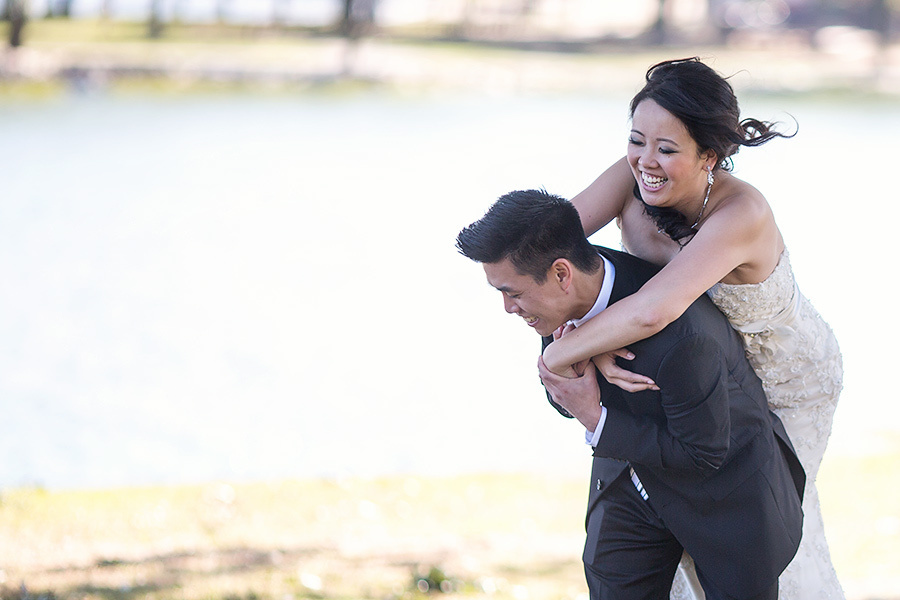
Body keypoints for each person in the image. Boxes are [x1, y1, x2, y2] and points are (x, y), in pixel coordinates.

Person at [538, 57, 843, 600]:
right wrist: (595, 336)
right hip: (688, 368)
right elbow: (542, 253)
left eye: (667, 149)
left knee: (748, 522)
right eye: (637, 140)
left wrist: (568, 353)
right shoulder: (630, 176)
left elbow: (653, 310)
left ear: (712, 156)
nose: (645, 161)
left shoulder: (742, 211)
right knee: (664, 505)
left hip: (785, 379)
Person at [456, 189, 805, 600]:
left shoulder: (684, 339)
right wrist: (577, 368)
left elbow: (703, 454)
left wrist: (596, 420)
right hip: (627, 484)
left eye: (512, 293)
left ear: (562, 274)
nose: (507, 307)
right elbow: (561, 389)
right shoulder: (563, 293)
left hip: (726, 501)